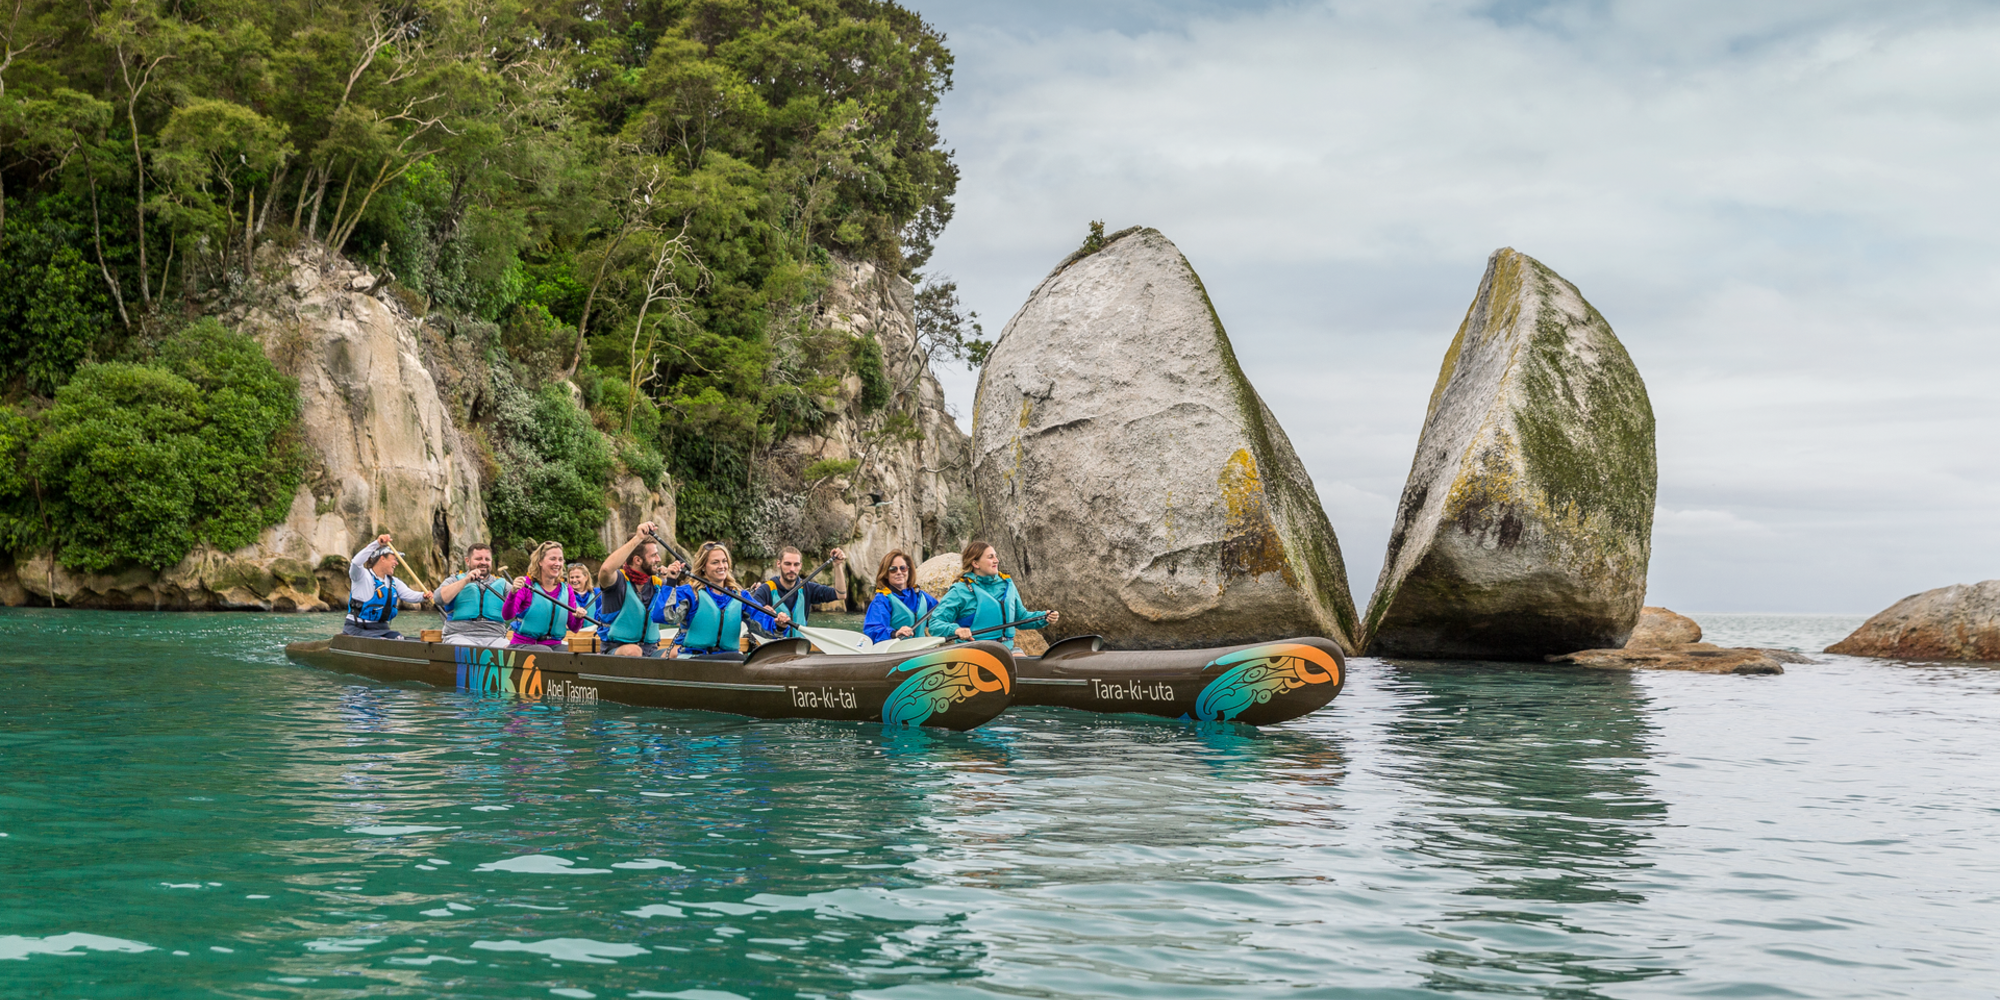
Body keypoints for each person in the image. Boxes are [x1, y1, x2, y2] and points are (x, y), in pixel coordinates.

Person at [925, 540, 1060, 650]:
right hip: (972, 652)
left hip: (1005, 650)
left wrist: (1044, 617)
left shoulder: (1007, 585)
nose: (996, 560)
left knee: (1022, 667)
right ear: (975, 563)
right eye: (990, 557)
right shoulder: (960, 591)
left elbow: (1021, 618)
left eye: (996, 556)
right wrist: (956, 630)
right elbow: (935, 624)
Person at [659, 540, 781, 660]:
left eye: (724, 561)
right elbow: (664, 616)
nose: (721, 566)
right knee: (737, 659)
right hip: (695, 660)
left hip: (728, 662)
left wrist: (779, 625)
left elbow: (766, 627)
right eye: (715, 562)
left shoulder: (740, 596)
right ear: (703, 567)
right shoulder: (690, 593)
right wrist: (671, 582)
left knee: (740, 659)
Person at [595, 520, 685, 658]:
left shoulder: (658, 584)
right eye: (654, 555)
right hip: (616, 651)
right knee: (633, 651)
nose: (659, 559)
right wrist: (638, 539)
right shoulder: (617, 582)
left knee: (677, 653)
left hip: (651, 651)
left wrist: (672, 580)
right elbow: (606, 570)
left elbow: (675, 614)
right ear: (637, 560)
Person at [499, 540, 586, 648]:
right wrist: (512, 593)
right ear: (540, 561)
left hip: (553, 645)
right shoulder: (526, 585)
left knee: (575, 655)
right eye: (553, 559)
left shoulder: (566, 589)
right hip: (524, 644)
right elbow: (507, 616)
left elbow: (574, 628)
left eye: (560, 559)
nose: (558, 563)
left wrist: (578, 617)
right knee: (544, 651)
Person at [343, 534, 431, 639]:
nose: (397, 563)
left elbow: (408, 595)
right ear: (382, 559)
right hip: (357, 628)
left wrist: (423, 596)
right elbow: (356, 562)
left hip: (381, 628)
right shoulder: (361, 576)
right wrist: (377, 544)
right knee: (382, 641)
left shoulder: (394, 582)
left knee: (399, 638)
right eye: (394, 559)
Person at [749, 545, 845, 634]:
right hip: (773, 647)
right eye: (787, 564)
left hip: (799, 647)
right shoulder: (766, 589)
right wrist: (763, 614)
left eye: (796, 564)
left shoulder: (807, 588)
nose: (792, 569)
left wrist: (837, 565)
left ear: (800, 566)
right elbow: (751, 620)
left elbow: (841, 594)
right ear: (778, 564)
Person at [433, 543, 512, 647]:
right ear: (467, 561)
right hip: (459, 636)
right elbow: (438, 598)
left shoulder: (504, 585)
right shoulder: (454, 580)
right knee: (470, 651)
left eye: (487, 559)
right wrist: (465, 581)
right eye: (478, 559)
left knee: (512, 652)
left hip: (495, 637)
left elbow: (524, 605)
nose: (483, 562)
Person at [862, 549, 938, 644]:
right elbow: (872, 631)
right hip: (896, 651)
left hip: (920, 649)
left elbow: (940, 616)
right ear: (886, 574)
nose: (899, 572)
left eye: (903, 568)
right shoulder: (882, 600)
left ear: (908, 570)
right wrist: (895, 633)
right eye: (893, 569)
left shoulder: (921, 595)